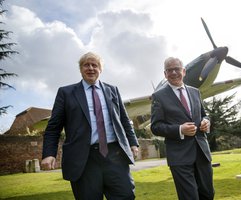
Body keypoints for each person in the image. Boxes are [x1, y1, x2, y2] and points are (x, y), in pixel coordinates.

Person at [41, 52, 139, 200]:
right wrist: (49, 154)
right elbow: (53, 127)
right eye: (86, 65)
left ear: (101, 69)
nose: (91, 68)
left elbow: (124, 120)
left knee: (125, 195)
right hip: (83, 159)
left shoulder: (113, 90)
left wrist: (133, 143)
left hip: (115, 155)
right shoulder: (66, 93)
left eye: (95, 65)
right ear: (80, 69)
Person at [150, 57, 214, 200]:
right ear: (165, 74)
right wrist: (179, 129)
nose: (174, 72)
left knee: (208, 194)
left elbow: (204, 115)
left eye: (177, 69)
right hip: (179, 157)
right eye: (169, 70)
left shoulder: (195, 92)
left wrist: (206, 122)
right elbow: (155, 126)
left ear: (184, 71)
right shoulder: (158, 96)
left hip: (202, 153)